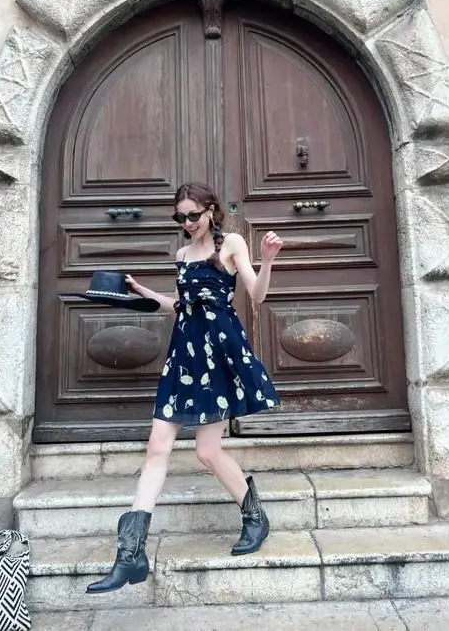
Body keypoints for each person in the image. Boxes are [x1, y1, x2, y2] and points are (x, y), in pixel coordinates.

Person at [86, 181, 283, 595]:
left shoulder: (231, 244)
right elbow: (180, 306)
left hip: (218, 352)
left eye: (193, 215)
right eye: (181, 217)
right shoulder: (181, 255)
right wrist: (141, 291)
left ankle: (254, 516)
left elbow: (257, 295)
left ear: (211, 210)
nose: (188, 222)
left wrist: (267, 261)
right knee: (157, 445)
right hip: (184, 353)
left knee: (207, 451)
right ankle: (130, 555)